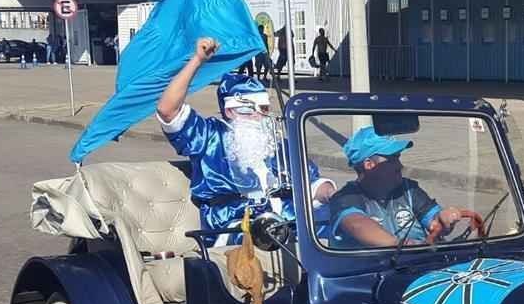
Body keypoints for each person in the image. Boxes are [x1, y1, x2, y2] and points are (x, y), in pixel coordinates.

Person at [156, 37, 336, 243]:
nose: (259, 116)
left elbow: (311, 183)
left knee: (342, 232)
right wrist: (197, 60)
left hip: (287, 223)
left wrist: (329, 193)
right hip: (235, 227)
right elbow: (167, 110)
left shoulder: (276, 143)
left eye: (264, 109)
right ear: (230, 110)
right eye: (249, 109)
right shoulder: (209, 136)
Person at [328, 126, 465, 249]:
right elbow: (356, 224)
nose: (400, 166)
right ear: (369, 164)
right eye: (392, 160)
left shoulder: (408, 189)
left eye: (398, 158)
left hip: (420, 267)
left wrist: (443, 219)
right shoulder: (345, 198)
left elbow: (434, 222)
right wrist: (400, 246)